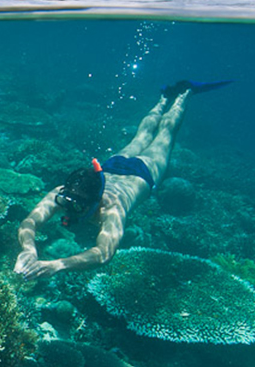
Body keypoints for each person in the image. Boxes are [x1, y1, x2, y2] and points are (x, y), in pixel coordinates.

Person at [14, 80, 229, 278]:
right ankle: (164, 98)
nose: (70, 209)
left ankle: (184, 93)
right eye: (69, 203)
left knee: (166, 132)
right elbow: (29, 222)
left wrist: (57, 265)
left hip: (143, 171)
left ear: (97, 200)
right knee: (142, 134)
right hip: (114, 165)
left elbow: (103, 253)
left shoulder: (112, 208)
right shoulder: (65, 193)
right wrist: (29, 250)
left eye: (78, 207)